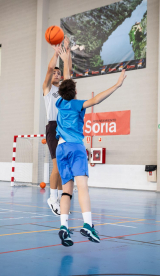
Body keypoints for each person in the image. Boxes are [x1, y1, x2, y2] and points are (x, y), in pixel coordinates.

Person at [55, 68, 127, 247]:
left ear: (62, 93)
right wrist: (117, 85)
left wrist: (66, 58)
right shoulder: (77, 104)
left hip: (60, 149)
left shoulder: (59, 103)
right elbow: (96, 99)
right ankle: (88, 224)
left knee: (66, 191)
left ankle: (63, 226)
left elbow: (66, 85)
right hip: (75, 148)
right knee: (83, 188)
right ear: (75, 92)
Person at [42, 37, 72, 216]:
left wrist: (67, 53)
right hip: (53, 128)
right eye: (55, 72)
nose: (57, 74)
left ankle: (61, 198)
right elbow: (48, 69)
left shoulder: (63, 91)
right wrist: (56, 54)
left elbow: (68, 72)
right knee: (57, 166)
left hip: (64, 128)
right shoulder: (47, 89)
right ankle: (52, 198)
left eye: (58, 73)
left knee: (63, 166)